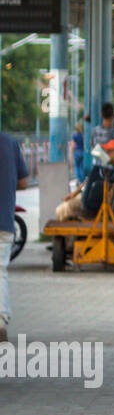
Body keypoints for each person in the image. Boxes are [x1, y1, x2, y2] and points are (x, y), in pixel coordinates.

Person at [1, 130, 31, 343]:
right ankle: (1, 321)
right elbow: (23, 183)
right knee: (0, 271)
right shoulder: (10, 144)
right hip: (4, 222)